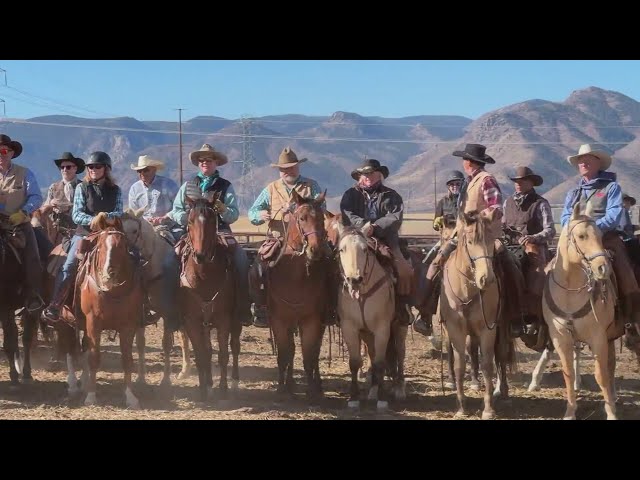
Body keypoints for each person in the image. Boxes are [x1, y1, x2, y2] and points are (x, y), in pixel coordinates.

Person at [413, 143, 526, 338]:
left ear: (469, 162)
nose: (463, 162)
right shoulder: (467, 182)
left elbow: (496, 207)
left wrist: (477, 219)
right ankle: (425, 314)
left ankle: (516, 317)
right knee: (435, 264)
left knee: (510, 266)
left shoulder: (486, 180)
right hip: (461, 236)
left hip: (486, 237)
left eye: (465, 159)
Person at [167, 143, 252, 327]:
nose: (205, 162)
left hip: (220, 231)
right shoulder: (188, 185)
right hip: (192, 234)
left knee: (241, 259)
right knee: (169, 261)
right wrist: (187, 217)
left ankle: (243, 306)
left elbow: (234, 214)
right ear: (198, 163)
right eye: (202, 160)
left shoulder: (225, 186)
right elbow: (175, 210)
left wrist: (222, 210)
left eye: (209, 159)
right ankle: (173, 309)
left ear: (216, 163)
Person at [560, 143, 640, 336]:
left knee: (623, 270)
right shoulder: (573, 193)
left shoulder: (611, 187)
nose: (583, 162)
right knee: (555, 269)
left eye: (588, 158)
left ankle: (632, 317)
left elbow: (614, 214)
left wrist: (594, 229)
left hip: (607, 239)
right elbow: (564, 217)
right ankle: (554, 317)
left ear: (599, 163)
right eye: (581, 159)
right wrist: (575, 230)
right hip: (578, 241)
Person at [247, 146, 330, 328]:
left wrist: (300, 210)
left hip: (308, 239)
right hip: (277, 239)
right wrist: (260, 216)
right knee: (258, 268)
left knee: (331, 263)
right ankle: (261, 307)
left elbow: (321, 208)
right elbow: (252, 211)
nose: (288, 171)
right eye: (284, 169)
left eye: (292, 167)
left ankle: (331, 306)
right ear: (279, 170)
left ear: (298, 167)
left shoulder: (311, 186)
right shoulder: (270, 189)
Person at [42, 151, 123, 324]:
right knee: (69, 265)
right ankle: (55, 305)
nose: (93, 169)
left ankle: (142, 306)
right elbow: (77, 214)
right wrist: (93, 219)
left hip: (109, 234)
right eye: (90, 166)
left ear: (106, 169)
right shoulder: (82, 188)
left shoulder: (115, 190)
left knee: (135, 257)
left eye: (97, 166)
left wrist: (107, 217)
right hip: (84, 234)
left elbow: (119, 212)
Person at [340, 158, 414, 326]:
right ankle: (334, 309)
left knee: (404, 270)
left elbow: (395, 217)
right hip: (356, 238)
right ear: (359, 177)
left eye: (370, 173)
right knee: (333, 265)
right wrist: (363, 226)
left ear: (379, 175)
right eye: (363, 174)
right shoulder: (350, 195)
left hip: (386, 239)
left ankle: (402, 308)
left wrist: (376, 227)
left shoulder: (391, 196)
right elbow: (347, 214)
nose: (367, 177)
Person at [502, 166, 556, 348]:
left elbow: (550, 230)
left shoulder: (540, 203)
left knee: (537, 275)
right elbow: (502, 224)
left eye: (522, 181)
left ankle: (533, 313)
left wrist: (533, 237)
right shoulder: (507, 202)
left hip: (533, 247)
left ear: (531, 182)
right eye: (516, 181)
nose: (518, 184)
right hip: (509, 246)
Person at [0, 134, 45, 312]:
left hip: (17, 223)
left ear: (11, 153)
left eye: (3, 151)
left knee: (32, 255)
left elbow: (36, 196)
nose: (0, 155)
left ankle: (33, 295)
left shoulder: (25, 173)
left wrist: (24, 212)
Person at [128, 155, 180, 243]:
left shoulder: (168, 185)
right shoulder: (134, 188)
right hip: (143, 229)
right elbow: (133, 213)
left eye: (146, 170)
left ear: (154, 170)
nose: (142, 173)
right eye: (139, 171)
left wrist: (164, 218)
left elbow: (179, 207)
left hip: (168, 227)